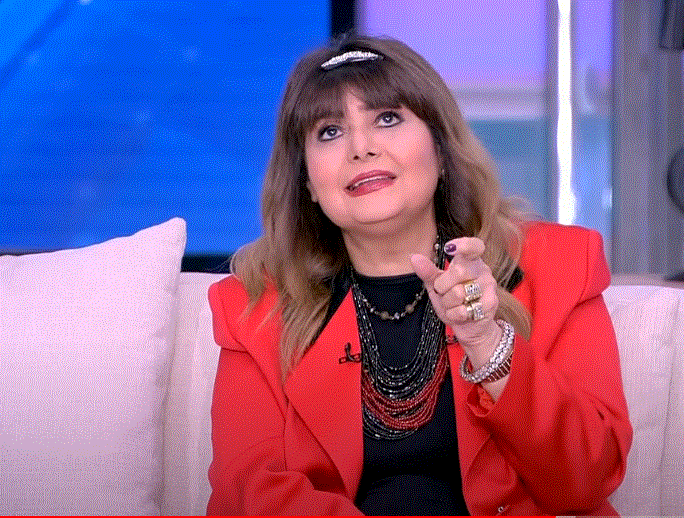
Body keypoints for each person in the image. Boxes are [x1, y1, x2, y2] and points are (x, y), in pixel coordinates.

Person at [206, 33, 632, 516]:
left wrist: (488, 343)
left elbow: (586, 481)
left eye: (387, 119)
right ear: (307, 181)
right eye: (330, 131)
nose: (361, 148)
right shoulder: (252, 306)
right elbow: (248, 494)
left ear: (441, 149)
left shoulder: (559, 267)